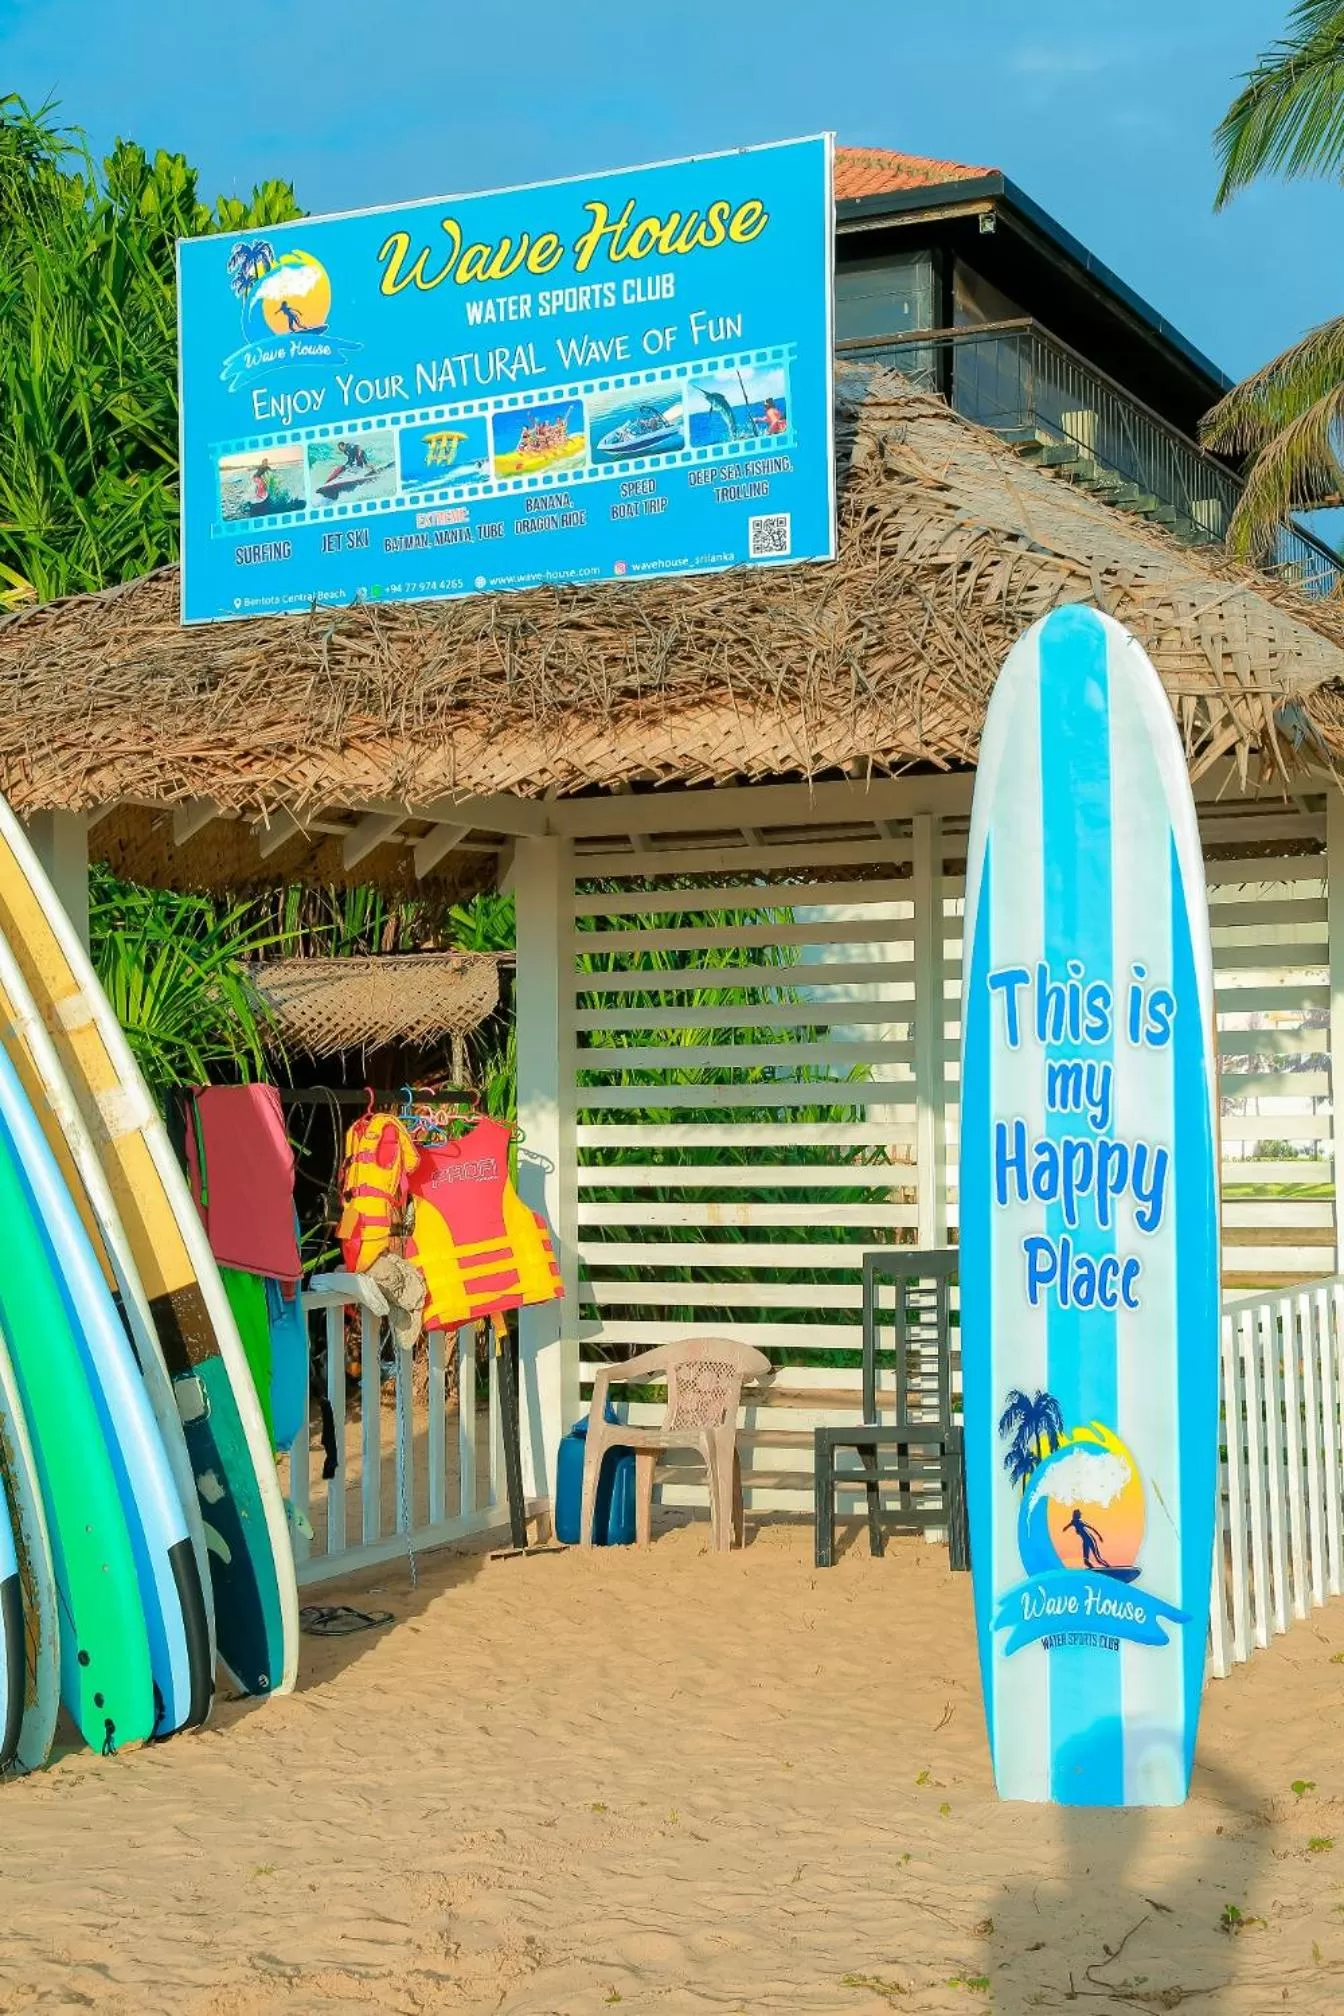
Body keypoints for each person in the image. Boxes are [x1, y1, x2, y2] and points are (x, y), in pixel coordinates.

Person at [1065, 1505, 1109, 1572]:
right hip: (1085, 1541)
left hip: (1090, 1539)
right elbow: (1066, 1527)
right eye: (1079, 1514)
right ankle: (1094, 1571)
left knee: (1098, 1559)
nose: (1080, 1515)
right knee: (1086, 1561)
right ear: (1076, 1515)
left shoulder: (1080, 1521)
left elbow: (1092, 1528)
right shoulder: (1074, 1521)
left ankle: (1109, 1568)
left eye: (1080, 1514)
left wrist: (1099, 1536)